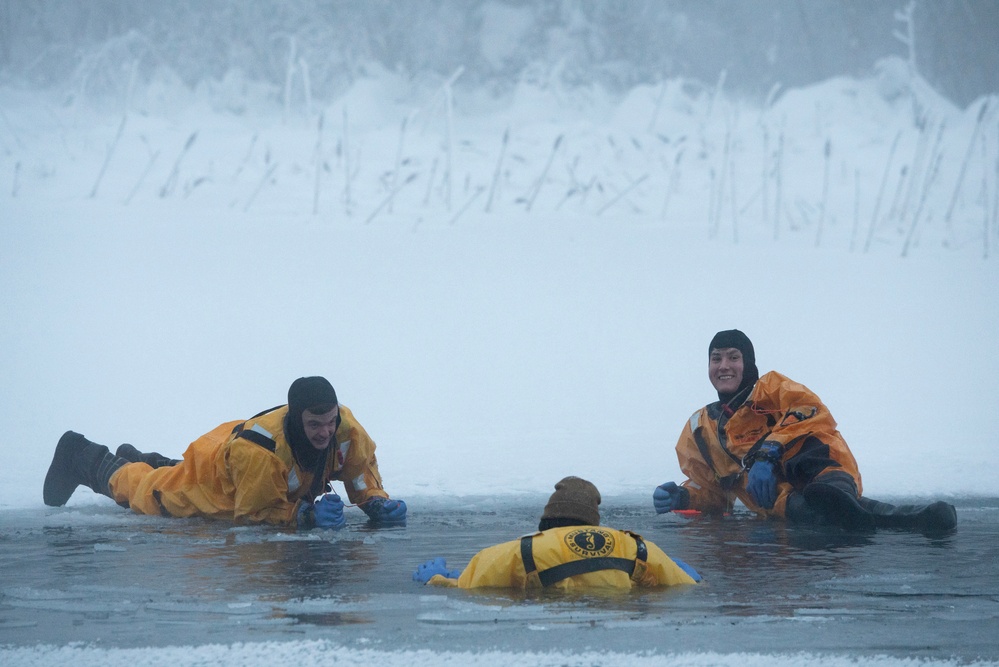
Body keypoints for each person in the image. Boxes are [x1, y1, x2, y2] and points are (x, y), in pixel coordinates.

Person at [653, 330, 957, 533]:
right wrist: (684, 497)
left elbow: (812, 411)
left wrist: (768, 453)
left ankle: (836, 495)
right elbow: (715, 496)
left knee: (814, 453)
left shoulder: (771, 390)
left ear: (749, 363)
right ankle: (915, 519)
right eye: (716, 358)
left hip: (821, 475)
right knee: (819, 513)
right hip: (782, 503)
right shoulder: (699, 428)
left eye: (734, 357)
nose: (724, 366)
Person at [43, 376, 407, 530]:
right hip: (221, 480)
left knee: (174, 474)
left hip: (236, 459)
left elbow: (360, 470)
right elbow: (254, 513)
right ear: (296, 418)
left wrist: (374, 500)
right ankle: (80, 453)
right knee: (150, 493)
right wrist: (305, 517)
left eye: (330, 422)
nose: (325, 432)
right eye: (315, 425)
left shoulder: (344, 426)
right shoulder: (264, 453)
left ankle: (144, 456)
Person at [413, 476, 701, 589]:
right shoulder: (635, 547)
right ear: (594, 523)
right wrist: (694, 577)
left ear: (547, 523)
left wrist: (435, 580)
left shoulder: (524, 549)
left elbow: (466, 586)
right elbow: (688, 585)